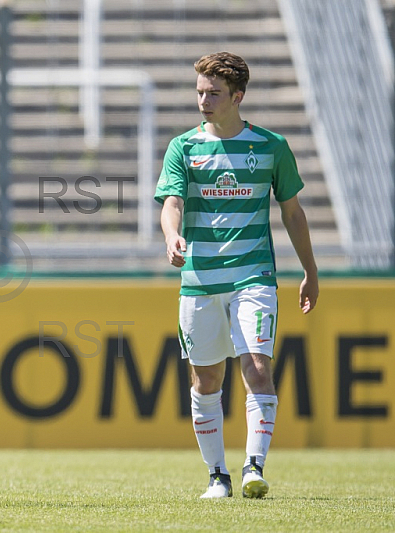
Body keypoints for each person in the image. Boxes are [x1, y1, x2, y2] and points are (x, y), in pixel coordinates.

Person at [154, 52, 319, 499]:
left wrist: (310, 269)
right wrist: (171, 236)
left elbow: (292, 212)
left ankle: (253, 467)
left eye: (214, 94)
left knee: (258, 369)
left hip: (255, 278)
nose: (204, 101)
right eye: (200, 93)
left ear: (238, 97)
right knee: (205, 382)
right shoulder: (183, 147)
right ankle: (217, 476)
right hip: (200, 280)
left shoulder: (270, 146)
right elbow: (172, 203)